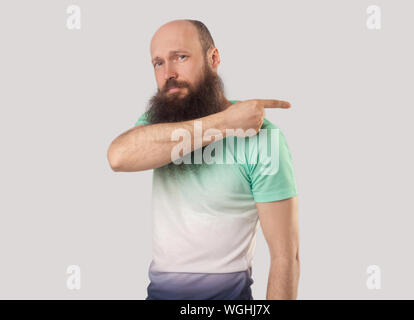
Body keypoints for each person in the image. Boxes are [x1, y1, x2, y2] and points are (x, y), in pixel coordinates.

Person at [107, 19, 300, 300]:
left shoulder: (264, 139)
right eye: (158, 63)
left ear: (214, 58)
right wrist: (225, 123)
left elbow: (286, 257)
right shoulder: (159, 124)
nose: (168, 73)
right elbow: (118, 156)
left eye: (180, 57)